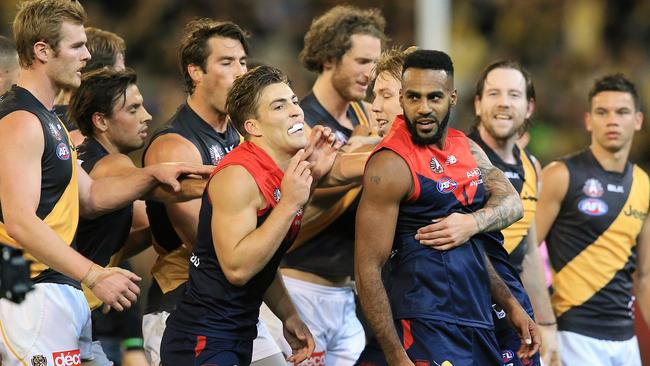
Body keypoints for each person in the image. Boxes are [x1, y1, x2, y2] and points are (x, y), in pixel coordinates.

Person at [0, 1, 211, 365]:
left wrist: (152, 176)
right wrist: (94, 274)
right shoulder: (20, 120)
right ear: (42, 51)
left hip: (62, 293)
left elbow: (91, 196)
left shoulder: (47, 120)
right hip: (33, 296)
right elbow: (20, 221)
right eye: (77, 46)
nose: (86, 56)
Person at [355, 49, 540, 365]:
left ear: (452, 98)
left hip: (476, 315)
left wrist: (510, 303)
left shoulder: (463, 147)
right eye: (413, 98)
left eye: (434, 97)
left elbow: (477, 243)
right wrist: (396, 356)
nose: (424, 108)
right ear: (403, 99)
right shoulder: (390, 164)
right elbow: (367, 269)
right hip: (426, 321)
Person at [161, 65, 341, 365]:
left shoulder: (283, 174)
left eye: (294, 101)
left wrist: (289, 315)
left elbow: (264, 255)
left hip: (237, 334)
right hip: (204, 338)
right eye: (279, 106)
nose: (296, 111)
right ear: (253, 127)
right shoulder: (239, 176)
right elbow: (238, 268)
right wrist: (290, 205)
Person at [141, 18, 287, 366]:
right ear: (196, 72)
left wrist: (288, 312)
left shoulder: (240, 139)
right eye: (226, 63)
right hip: (183, 305)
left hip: (235, 304)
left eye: (243, 62)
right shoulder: (176, 146)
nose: (240, 73)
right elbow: (213, 245)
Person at [270, 6, 385, 364]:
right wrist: (361, 166)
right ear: (330, 58)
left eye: (376, 63)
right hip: (299, 289)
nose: (372, 73)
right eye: (363, 61)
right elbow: (287, 218)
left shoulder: (367, 117)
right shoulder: (297, 122)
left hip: (347, 293)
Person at [69, 68, 207, 366]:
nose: (146, 115)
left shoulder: (80, 155)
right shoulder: (111, 163)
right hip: (57, 311)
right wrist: (239, 180)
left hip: (70, 312)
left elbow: (106, 238)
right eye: (133, 109)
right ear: (101, 120)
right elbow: (165, 187)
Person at [535, 74, 650, 366]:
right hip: (573, 335)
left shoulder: (643, 184)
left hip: (626, 341)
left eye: (622, 112)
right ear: (588, 120)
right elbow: (524, 253)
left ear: (638, 120)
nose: (612, 120)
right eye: (602, 112)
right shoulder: (560, 175)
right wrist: (544, 324)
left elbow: (644, 276)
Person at [467, 60, 557, 365]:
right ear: (478, 104)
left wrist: (546, 322)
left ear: (529, 107)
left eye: (514, 95)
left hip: (514, 322)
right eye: (494, 93)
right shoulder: (459, 159)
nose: (504, 102)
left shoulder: (532, 166)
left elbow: (528, 252)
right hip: (466, 314)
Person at [54, 26, 126, 147]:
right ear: (105, 74)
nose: (124, 81)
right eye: (120, 72)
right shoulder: (87, 133)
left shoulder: (48, 116)